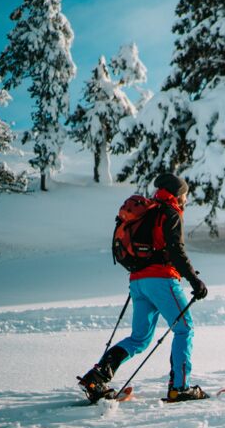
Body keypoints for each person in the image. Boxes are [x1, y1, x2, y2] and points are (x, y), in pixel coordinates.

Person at [78, 173, 209, 403]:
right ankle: (180, 387)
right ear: (177, 194)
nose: (186, 199)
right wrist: (194, 280)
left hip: (138, 282)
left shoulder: (149, 211)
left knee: (139, 338)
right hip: (162, 280)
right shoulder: (170, 212)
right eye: (185, 195)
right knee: (184, 328)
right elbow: (176, 251)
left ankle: (96, 378)